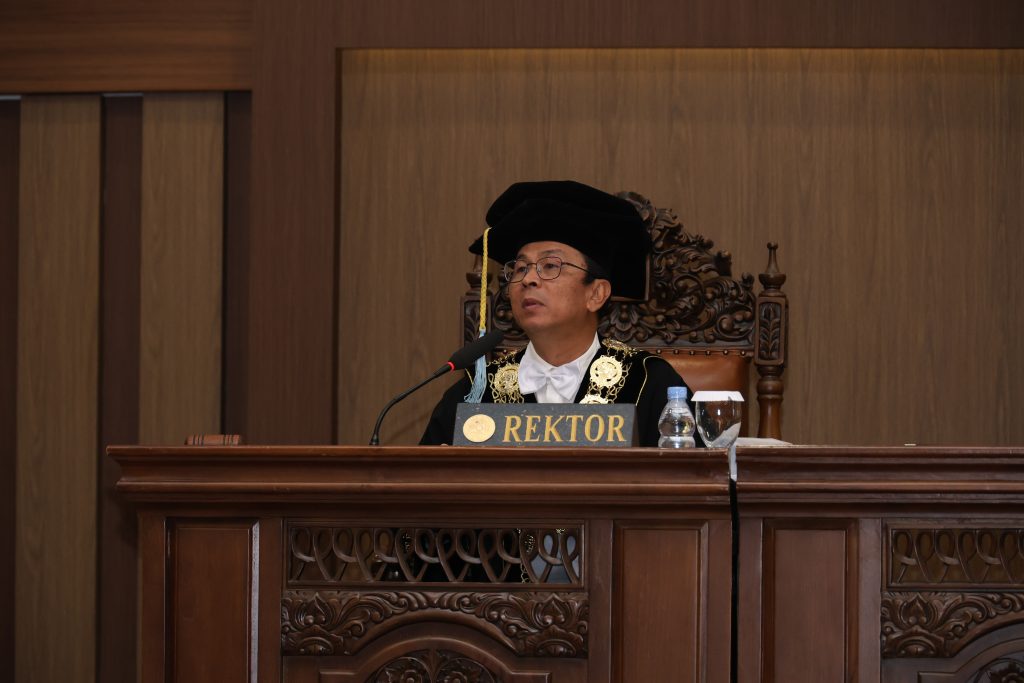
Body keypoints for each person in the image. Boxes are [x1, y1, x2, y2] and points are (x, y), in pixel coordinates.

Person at [420, 180, 699, 447]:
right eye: (520, 268)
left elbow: (697, 483)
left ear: (596, 294)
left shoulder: (649, 382)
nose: (529, 279)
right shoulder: (476, 393)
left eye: (550, 266)